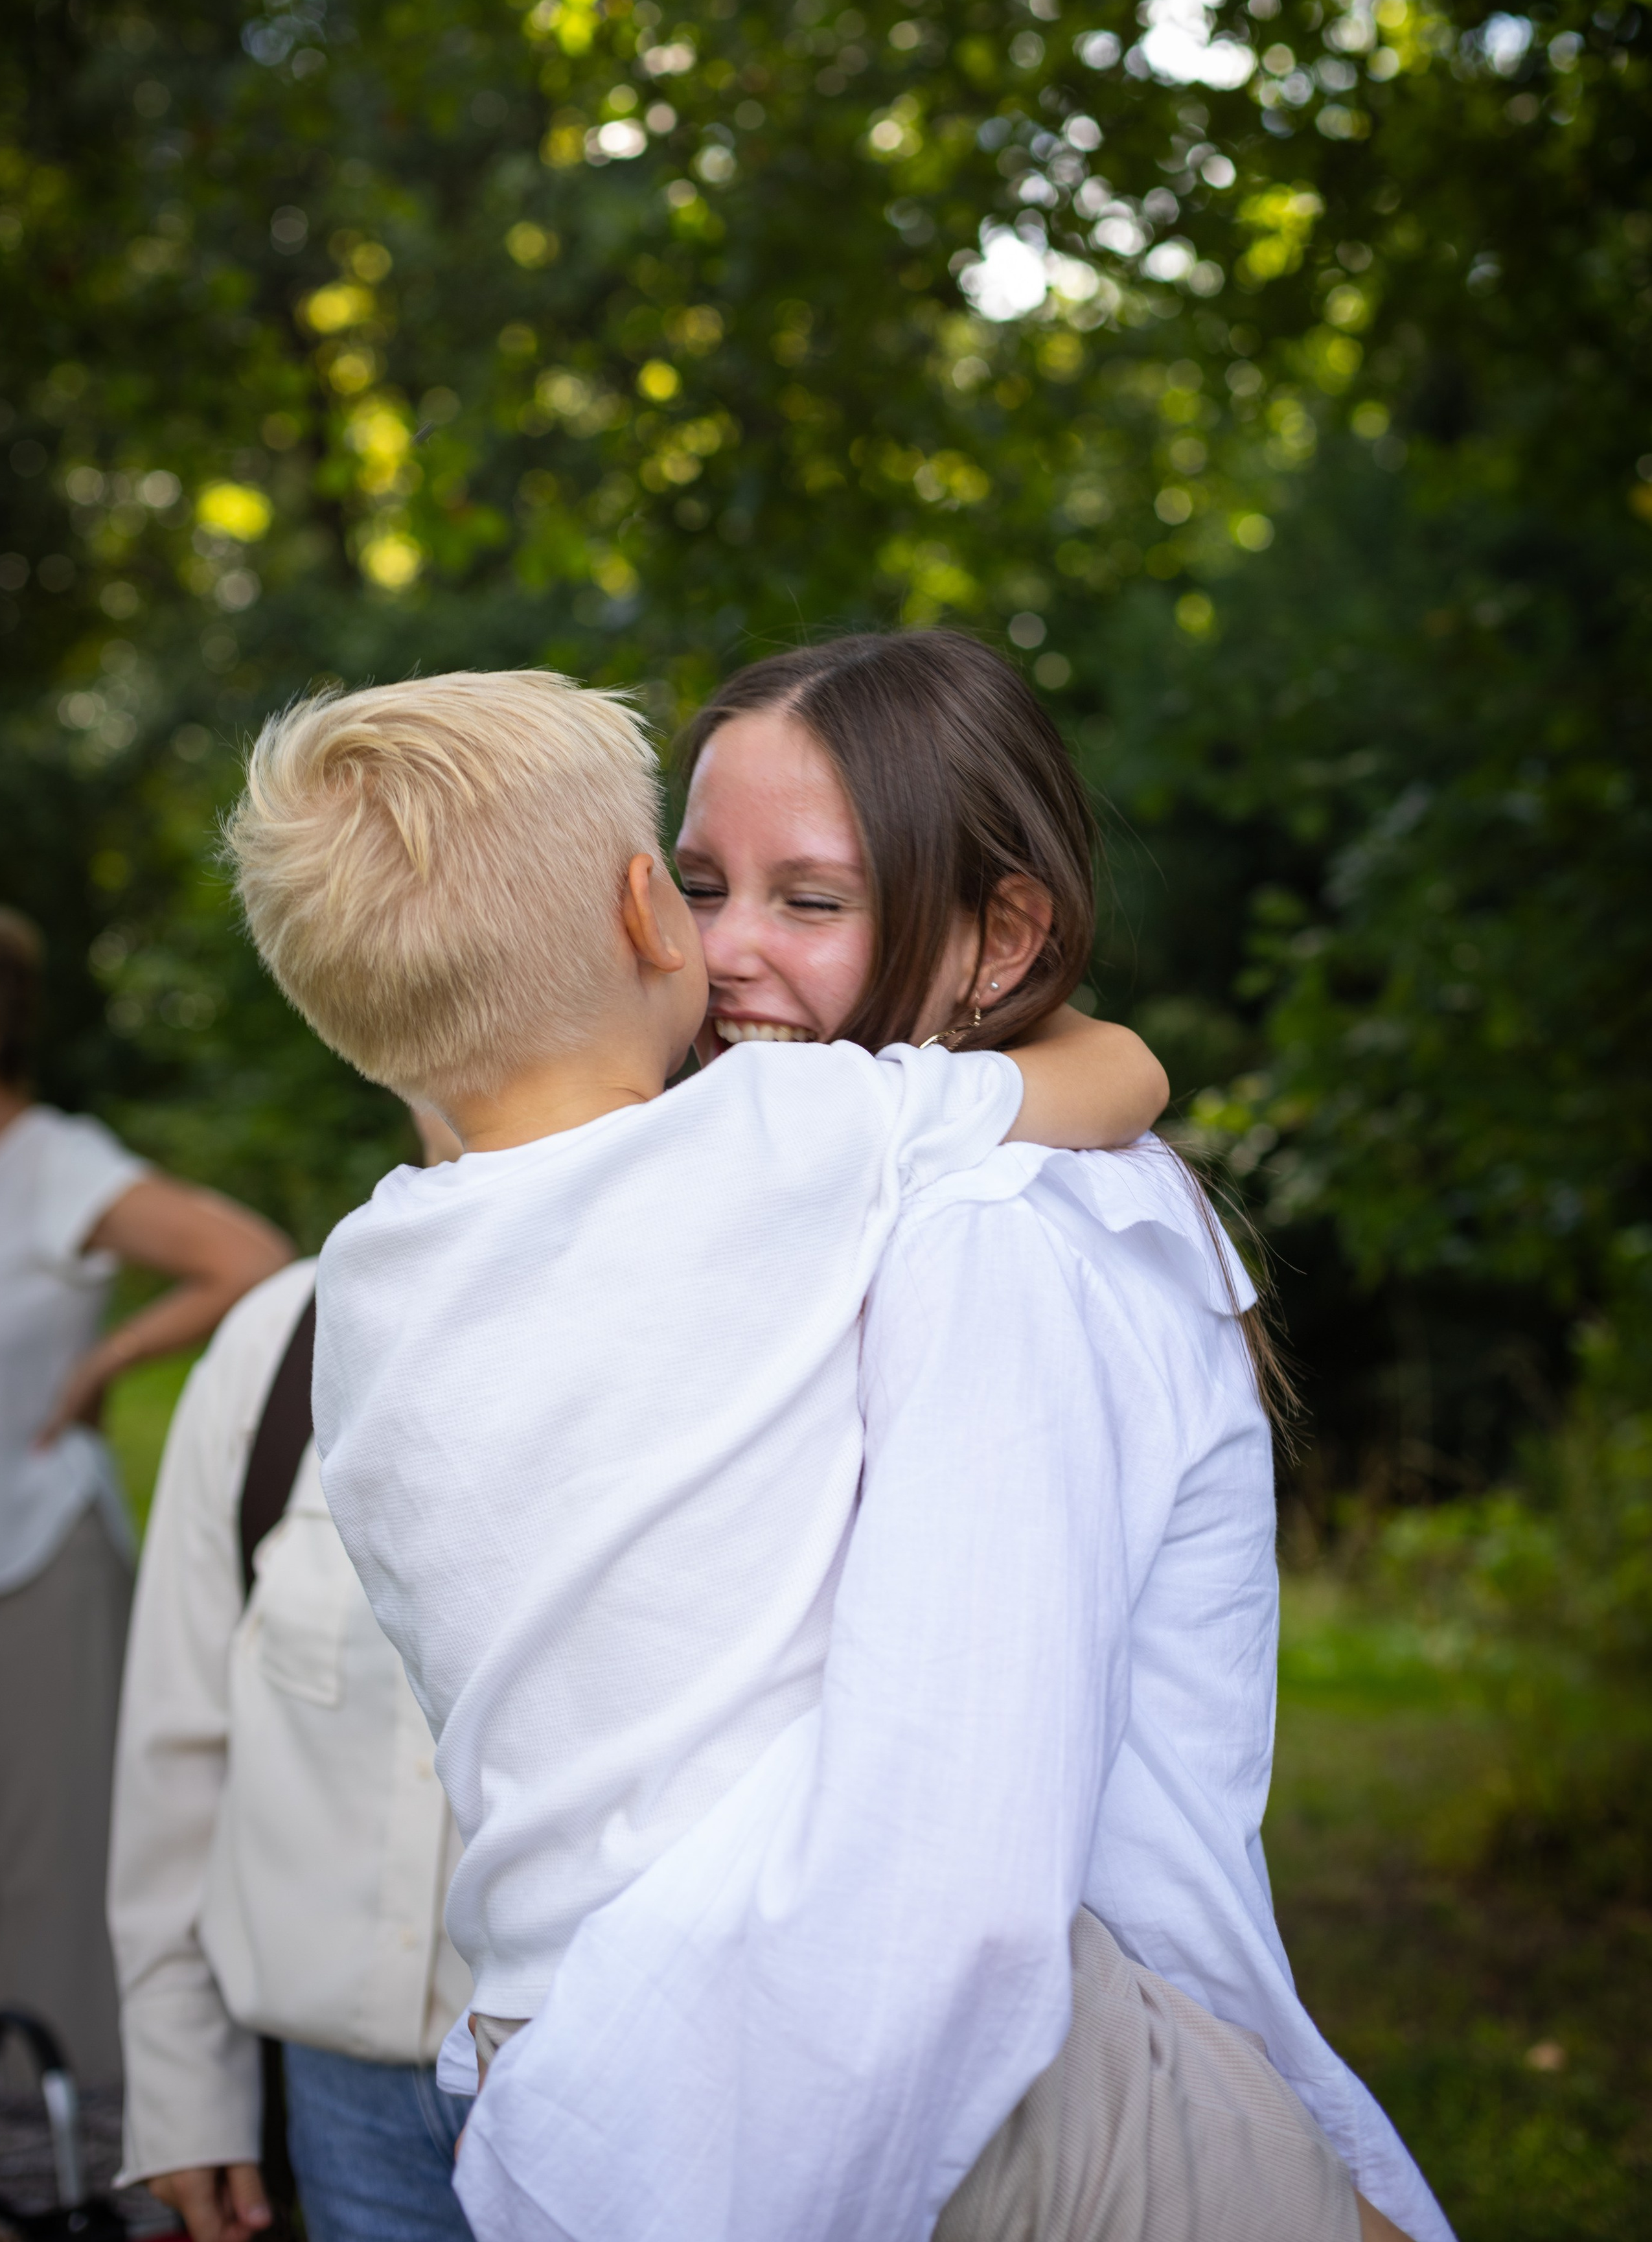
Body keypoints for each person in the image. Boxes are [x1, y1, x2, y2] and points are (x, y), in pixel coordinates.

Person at [446, 633, 1452, 2242]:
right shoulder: (855, 1186)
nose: (726, 955)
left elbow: (943, 1869)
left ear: (1003, 938)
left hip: (992, 2092)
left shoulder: (988, 1232)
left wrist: (581, 2123)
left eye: (814, 900)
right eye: (700, 886)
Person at [220, 666, 1166, 2071]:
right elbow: (1121, 1079)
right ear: (640, 911)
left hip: (522, 2021)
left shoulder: (362, 1273)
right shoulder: (776, 1137)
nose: (730, 945)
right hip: (755, 2003)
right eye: (695, 884)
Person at [109, 1111, 475, 2242]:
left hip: (623, 2094)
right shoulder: (283, 1340)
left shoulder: (730, 1327)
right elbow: (179, 1739)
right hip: (343, 2105)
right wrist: (182, 2088)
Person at [0, 904, 290, 2086]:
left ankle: (66, 2149)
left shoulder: (54, 1164)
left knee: (52, 1865)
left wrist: (101, 1365)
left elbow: (249, 1258)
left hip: (35, 1562)